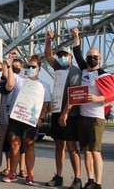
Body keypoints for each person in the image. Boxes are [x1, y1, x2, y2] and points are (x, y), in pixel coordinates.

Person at [4, 55, 51, 186]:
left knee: (29, 145)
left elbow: (46, 103)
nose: (30, 69)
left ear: (39, 69)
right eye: (29, 67)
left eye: (33, 67)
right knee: (14, 145)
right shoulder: (19, 79)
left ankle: (30, 174)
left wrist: (41, 118)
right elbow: (5, 73)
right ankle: (12, 172)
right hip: (16, 116)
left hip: (31, 119)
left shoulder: (43, 85)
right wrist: (8, 62)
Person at [72, 27, 110, 189]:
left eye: (95, 57)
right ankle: (91, 180)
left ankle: (99, 184)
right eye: (90, 57)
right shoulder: (84, 70)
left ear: (100, 59)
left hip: (96, 117)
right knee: (86, 151)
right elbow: (77, 53)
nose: (92, 59)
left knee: (95, 152)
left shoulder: (103, 74)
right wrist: (76, 36)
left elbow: (111, 95)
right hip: (83, 117)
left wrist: (96, 98)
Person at [44, 31, 82, 189]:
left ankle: (78, 179)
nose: (61, 57)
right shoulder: (58, 67)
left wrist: (65, 114)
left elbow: (74, 95)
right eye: (60, 55)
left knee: (72, 146)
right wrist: (48, 41)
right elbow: (47, 55)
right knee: (59, 145)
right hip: (57, 111)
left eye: (65, 55)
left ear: (70, 57)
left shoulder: (75, 71)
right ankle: (59, 176)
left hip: (70, 114)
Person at [0, 58, 27, 178]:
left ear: (21, 68)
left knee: (21, 145)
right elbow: (5, 73)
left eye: (17, 66)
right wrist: (7, 63)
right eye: (13, 65)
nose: (14, 67)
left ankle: (22, 169)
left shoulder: (24, 80)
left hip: (20, 114)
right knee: (10, 144)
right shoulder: (9, 78)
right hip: (8, 113)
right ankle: (10, 167)